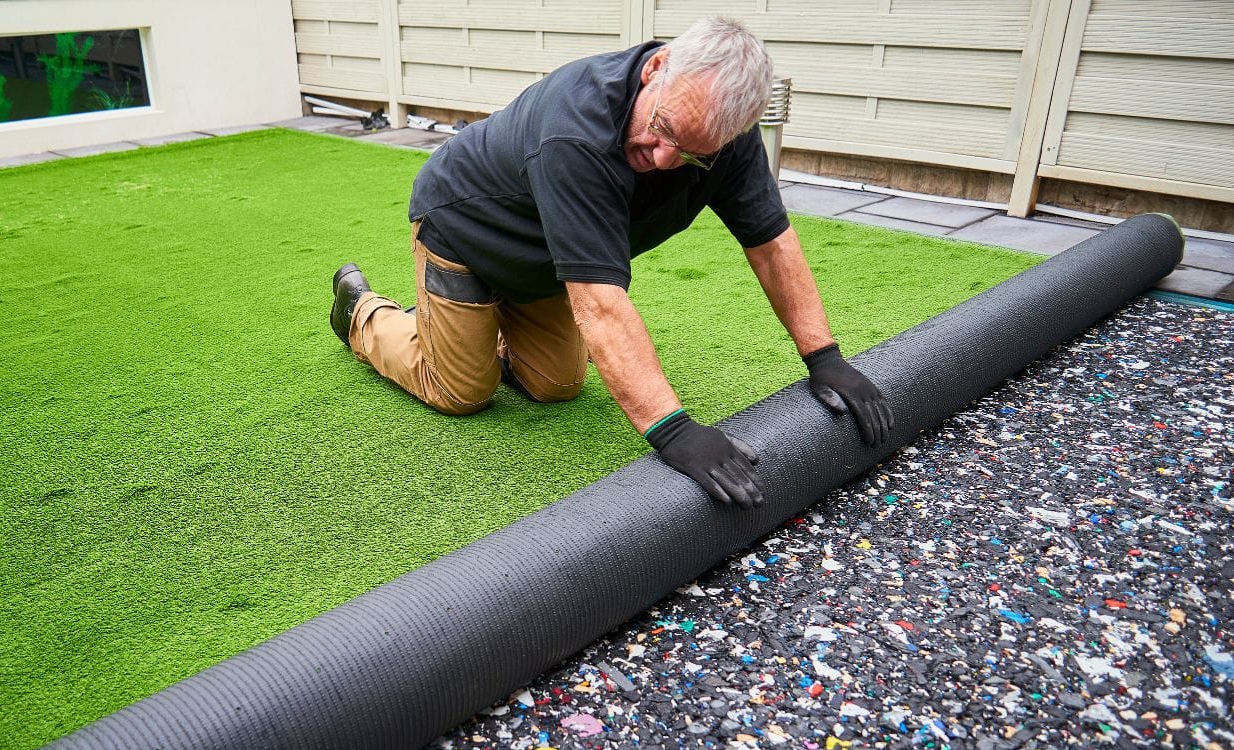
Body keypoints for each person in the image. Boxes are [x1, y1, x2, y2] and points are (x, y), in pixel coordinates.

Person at [327, 16, 894, 508]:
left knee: (556, 385)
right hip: (466, 233)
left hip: (546, 254)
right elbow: (599, 303)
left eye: (691, 152)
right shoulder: (576, 130)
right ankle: (364, 312)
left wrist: (825, 357)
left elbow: (771, 244)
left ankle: (469, 327)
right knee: (461, 392)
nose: (665, 159)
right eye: (663, 129)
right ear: (656, 69)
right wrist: (672, 431)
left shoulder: (720, 135)